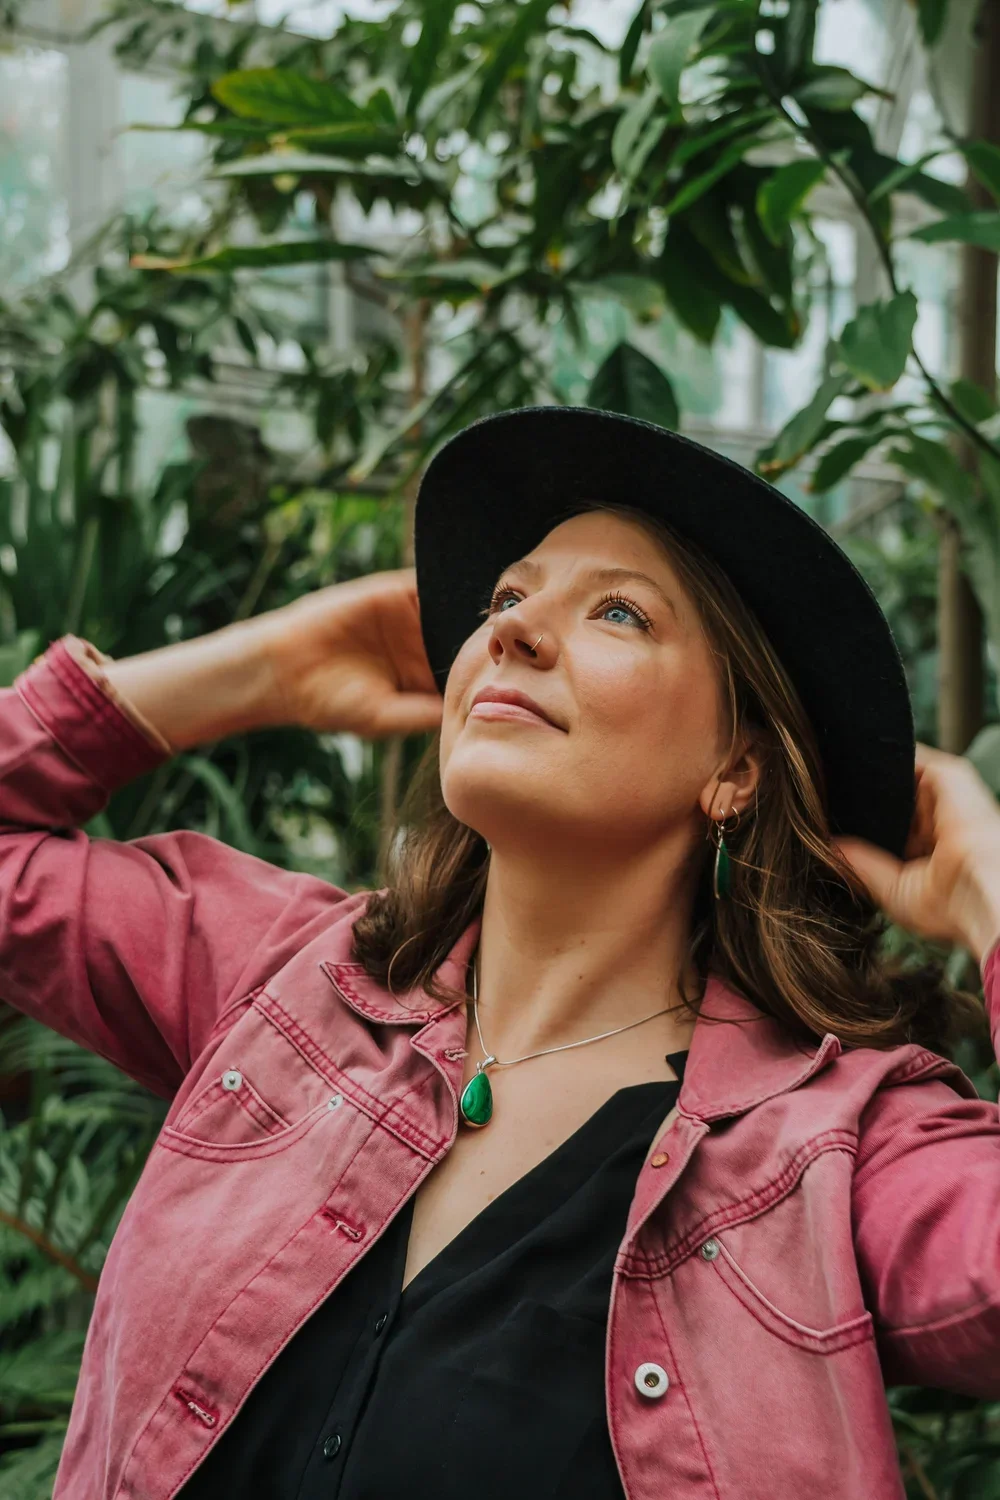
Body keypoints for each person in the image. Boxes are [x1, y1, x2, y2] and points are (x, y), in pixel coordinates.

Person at [2, 404, 1000, 1500]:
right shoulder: (287, 977)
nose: (511, 633)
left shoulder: (832, 1152)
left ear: (736, 768)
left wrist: (990, 893)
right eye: (507, 599)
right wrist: (264, 670)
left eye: (618, 612)